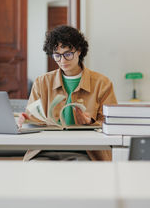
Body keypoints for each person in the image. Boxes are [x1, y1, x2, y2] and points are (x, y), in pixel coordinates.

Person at [18, 25, 117, 161]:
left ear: (79, 51)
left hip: (85, 152)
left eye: (68, 54)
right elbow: (33, 120)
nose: (62, 61)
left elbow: (112, 124)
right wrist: (26, 120)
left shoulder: (102, 83)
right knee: (35, 170)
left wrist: (90, 123)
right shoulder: (42, 82)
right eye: (57, 55)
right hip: (45, 150)